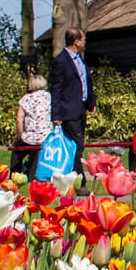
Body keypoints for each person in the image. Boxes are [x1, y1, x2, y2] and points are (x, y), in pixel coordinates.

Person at [52, 28, 95, 174]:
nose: (84, 43)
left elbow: (86, 82)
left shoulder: (80, 60)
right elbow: (56, 89)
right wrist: (56, 115)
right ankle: (79, 179)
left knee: (80, 144)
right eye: (82, 40)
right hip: (69, 110)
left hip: (81, 108)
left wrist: (91, 102)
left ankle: (72, 175)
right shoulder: (61, 61)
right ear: (76, 42)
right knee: (75, 144)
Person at [13, 74, 52, 176]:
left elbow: (19, 119)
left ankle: (15, 174)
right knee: (36, 151)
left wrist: (21, 134)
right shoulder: (50, 97)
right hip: (47, 136)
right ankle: (30, 172)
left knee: (17, 150)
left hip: (31, 136)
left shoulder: (26, 99)